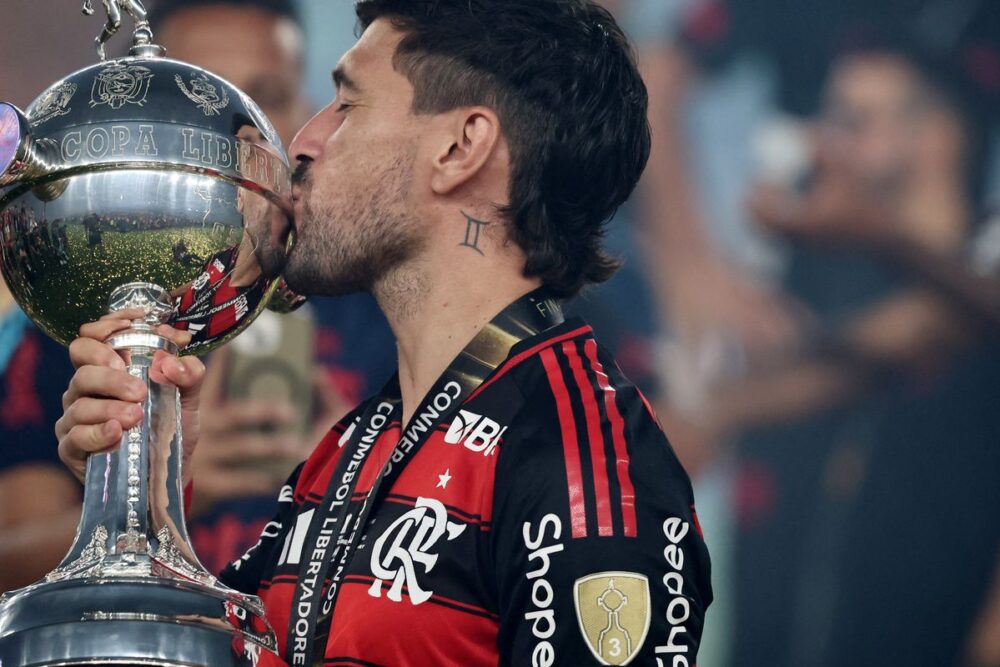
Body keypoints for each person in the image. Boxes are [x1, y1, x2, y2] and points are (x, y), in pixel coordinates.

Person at [56, 0, 713, 664]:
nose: (303, 141)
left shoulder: (583, 462)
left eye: (348, 104)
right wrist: (153, 489)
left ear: (460, 148)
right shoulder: (350, 446)